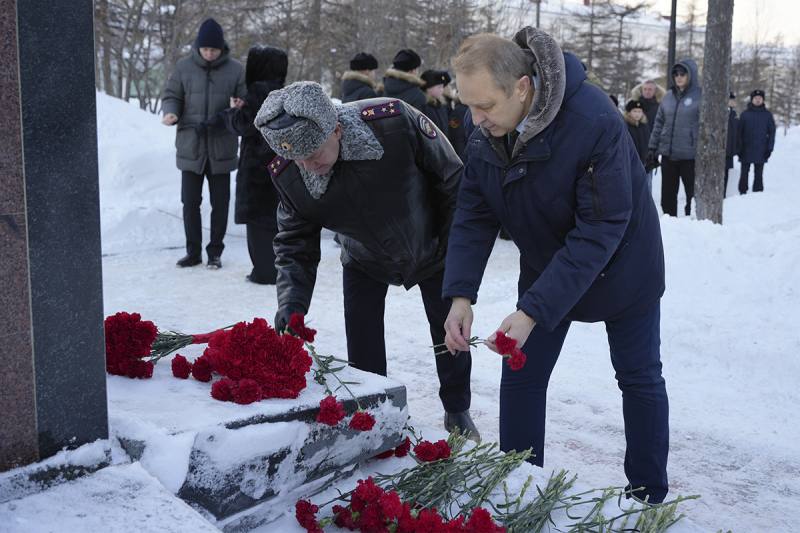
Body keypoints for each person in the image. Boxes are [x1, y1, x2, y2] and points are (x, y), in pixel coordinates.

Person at [442, 28, 668, 503]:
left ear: (522, 87)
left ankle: (647, 496)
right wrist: (461, 295)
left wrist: (532, 311)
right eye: (469, 106)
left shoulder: (593, 121)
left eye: (484, 106)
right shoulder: (488, 127)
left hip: (623, 265)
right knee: (521, 372)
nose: (475, 119)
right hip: (547, 260)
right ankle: (520, 485)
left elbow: (601, 228)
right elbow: (474, 210)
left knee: (638, 376)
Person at [254, 82, 479, 440]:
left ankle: (457, 407)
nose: (308, 166)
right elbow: (295, 244)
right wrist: (292, 305)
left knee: (449, 331)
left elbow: (454, 182)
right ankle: (375, 413)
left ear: (337, 129)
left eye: (313, 152)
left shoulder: (393, 122)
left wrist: (456, 262)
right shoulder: (290, 175)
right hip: (363, 259)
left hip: (432, 245)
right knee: (363, 344)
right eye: (298, 158)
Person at [162, 18, 246, 269]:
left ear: (221, 48)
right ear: (198, 47)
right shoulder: (183, 67)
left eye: (214, 50)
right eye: (206, 49)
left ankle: (215, 253)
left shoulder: (235, 69)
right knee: (190, 203)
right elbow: (172, 95)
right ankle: (193, 252)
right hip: (191, 145)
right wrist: (171, 112)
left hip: (222, 147)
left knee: (220, 204)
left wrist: (239, 105)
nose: (209, 54)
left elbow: (244, 97)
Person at [209, 45, 288, 284]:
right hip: (279, 164)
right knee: (275, 221)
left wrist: (230, 113)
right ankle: (276, 269)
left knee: (257, 224)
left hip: (256, 168)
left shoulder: (257, 90)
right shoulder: (282, 91)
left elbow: (245, 124)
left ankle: (264, 272)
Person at [648, 59, 702, 217]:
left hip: (690, 156)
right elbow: (659, 123)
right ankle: (670, 221)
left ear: (690, 75)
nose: (678, 77)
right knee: (667, 195)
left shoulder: (700, 96)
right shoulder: (668, 97)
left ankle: (691, 221)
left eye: (682, 74)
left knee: (691, 195)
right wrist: (652, 148)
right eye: (676, 74)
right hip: (668, 154)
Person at [737, 89, 776, 194]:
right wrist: (739, 148)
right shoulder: (745, 115)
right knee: (744, 173)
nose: (758, 100)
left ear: (763, 100)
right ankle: (742, 193)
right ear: (752, 100)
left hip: (761, 150)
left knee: (759, 174)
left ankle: (758, 194)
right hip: (746, 149)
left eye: (760, 98)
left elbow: (772, 132)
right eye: (756, 98)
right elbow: (739, 133)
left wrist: (769, 149)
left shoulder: (767, 115)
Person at [624, 100, 652, 191]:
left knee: (645, 190)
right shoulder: (625, 126)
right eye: (634, 111)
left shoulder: (644, 126)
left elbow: (648, 143)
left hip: (644, 164)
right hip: (630, 165)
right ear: (629, 112)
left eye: (639, 111)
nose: (637, 114)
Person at [421, 69, 452, 134]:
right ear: (428, 88)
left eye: (442, 87)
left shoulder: (442, 105)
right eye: (439, 87)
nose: (442, 90)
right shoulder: (424, 106)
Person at [724, 92, 739, 198]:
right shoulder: (723, 114)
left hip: (730, 152)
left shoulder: (734, 115)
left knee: (726, 175)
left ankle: (723, 195)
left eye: (734, 99)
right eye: (731, 99)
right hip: (722, 151)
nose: (733, 101)